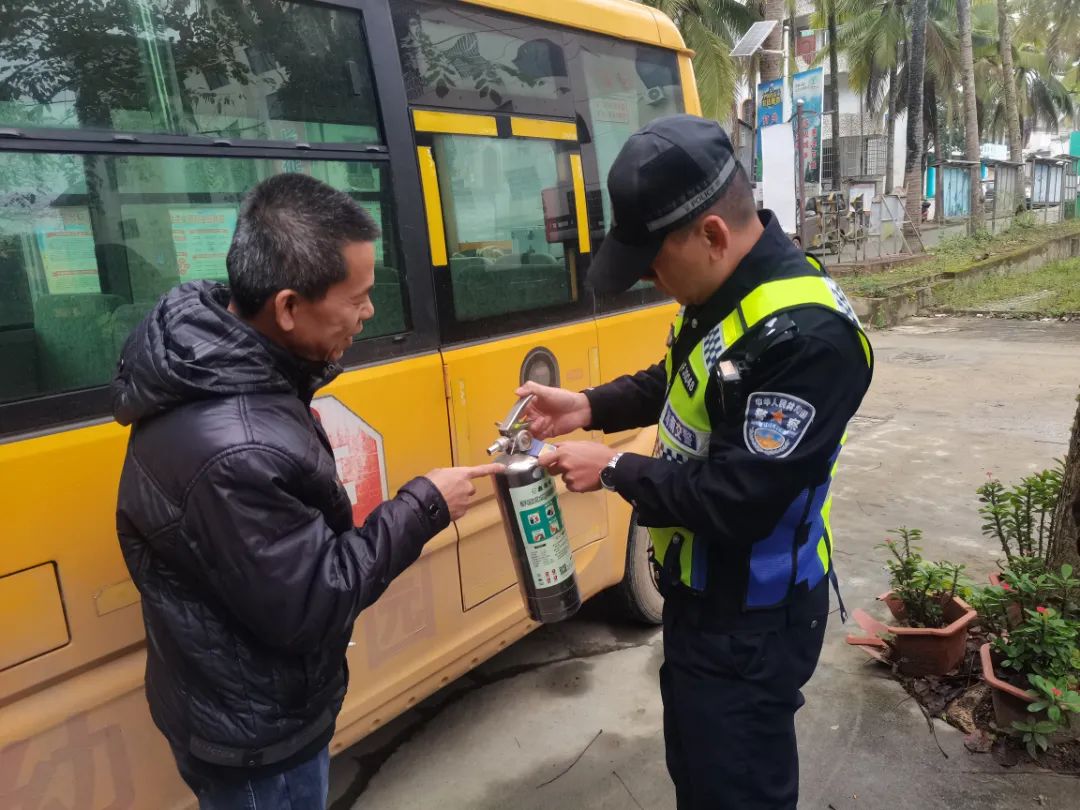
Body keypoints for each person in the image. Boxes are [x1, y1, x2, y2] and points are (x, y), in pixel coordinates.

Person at [519, 115, 873, 809]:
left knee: (737, 791)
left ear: (712, 235)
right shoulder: (723, 293)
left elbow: (739, 499)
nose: (650, 278)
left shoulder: (807, 339)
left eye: (654, 261)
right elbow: (675, 379)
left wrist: (615, 471)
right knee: (702, 777)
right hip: (700, 602)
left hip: (752, 622)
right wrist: (585, 405)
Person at [112, 173, 498, 809]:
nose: (368, 314)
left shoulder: (218, 365)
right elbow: (313, 599)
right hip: (259, 734)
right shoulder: (236, 448)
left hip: (231, 697)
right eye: (358, 298)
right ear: (288, 307)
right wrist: (425, 504)